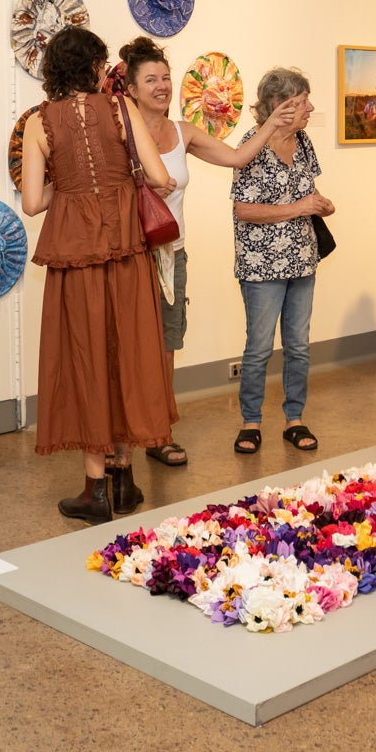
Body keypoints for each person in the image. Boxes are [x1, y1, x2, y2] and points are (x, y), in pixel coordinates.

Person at [117, 36, 300, 467]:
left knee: (165, 345)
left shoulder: (184, 132)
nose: (162, 86)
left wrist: (271, 123)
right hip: (129, 256)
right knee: (126, 348)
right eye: (151, 80)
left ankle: (160, 434)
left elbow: (237, 158)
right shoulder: (119, 133)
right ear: (131, 89)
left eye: (165, 77)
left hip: (171, 255)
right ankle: (120, 439)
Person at [21, 27, 178, 523]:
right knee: (128, 352)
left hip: (75, 255)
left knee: (85, 357)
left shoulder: (37, 123)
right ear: (94, 67)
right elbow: (157, 177)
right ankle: (126, 479)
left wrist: (65, 188)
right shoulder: (120, 108)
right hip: (126, 250)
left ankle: (95, 488)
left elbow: (31, 202)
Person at [229, 66, 332, 454]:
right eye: (303, 101)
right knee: (258, 347)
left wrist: (320, 203)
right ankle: (250, 421)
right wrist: (299, 207)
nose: (310, 107)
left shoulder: (303, 143)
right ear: (279, 105)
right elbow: (244, 210)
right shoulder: (251, 144)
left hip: (303, 261)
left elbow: (308, 188)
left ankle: (295, 418)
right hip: (261, 266)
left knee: (299, 345)